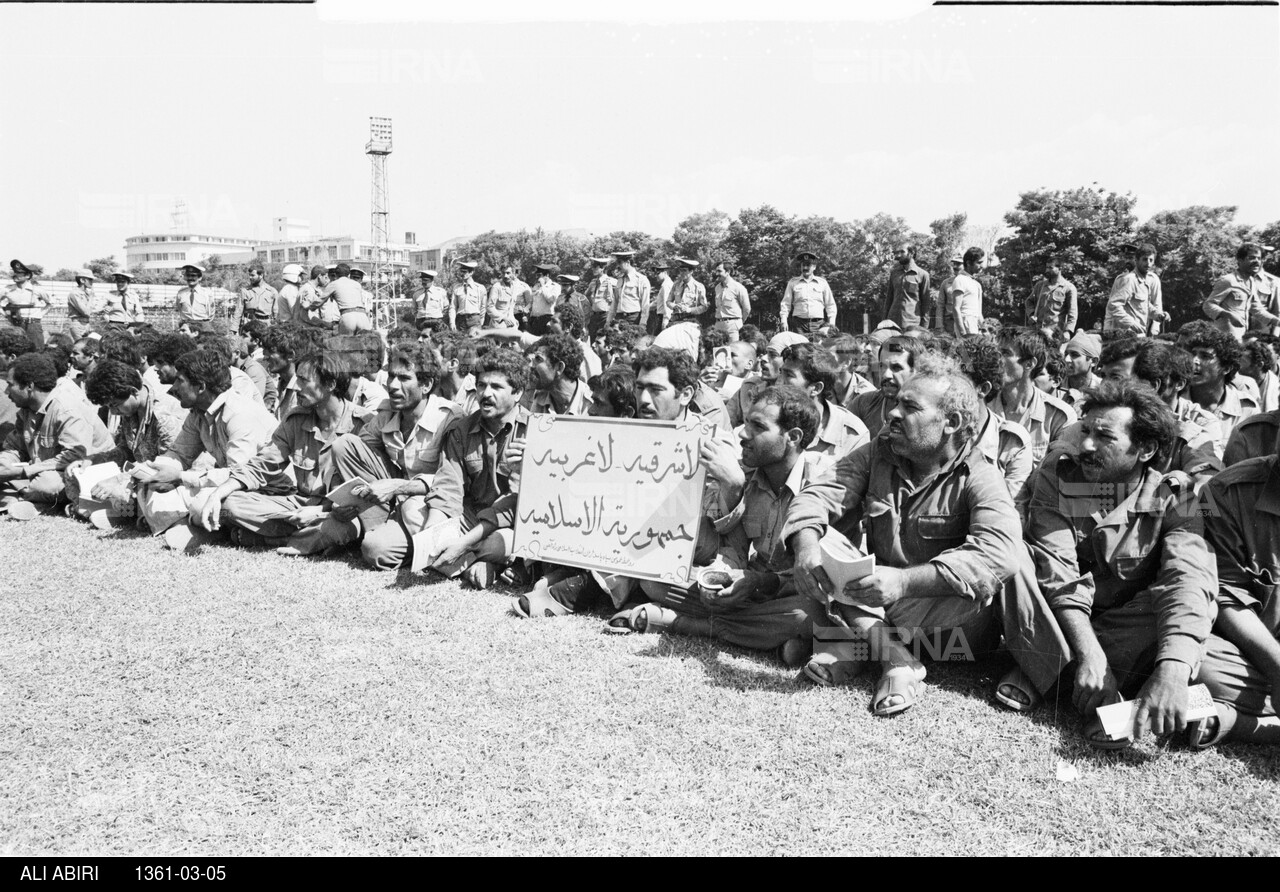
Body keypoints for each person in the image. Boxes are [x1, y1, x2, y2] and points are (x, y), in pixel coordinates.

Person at [783, 355, 1069, 716]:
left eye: (910, 407)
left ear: (951, 423)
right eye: (896, 403)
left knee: (1013, 559)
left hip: (956, 637)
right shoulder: (878, 454)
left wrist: (904, 582)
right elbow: (818, 495)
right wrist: (806, 546)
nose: (893, 414)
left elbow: (998, 555)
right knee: (819, 539)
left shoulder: (980, 475)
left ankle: (861, 652)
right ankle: (894, 660)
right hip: (884, 609)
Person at [1025, 380, 1216, 749]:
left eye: (1104, 437)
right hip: (1061, 619)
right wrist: (1091, 656)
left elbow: (1187, 579)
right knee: (1018, 565)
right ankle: (1089, 682)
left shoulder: (1179, 496)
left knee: (1181, 605)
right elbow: (1059, 577)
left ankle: (1045, 673)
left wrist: (1172, 671)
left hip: (1121, 629)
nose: (1086, 446)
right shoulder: (1058, 476)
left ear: (1145, 449)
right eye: (1085, 431)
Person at [308, 343, 464, 568]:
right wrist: (337, 502)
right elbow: (355, 455)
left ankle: (408, 542)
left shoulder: (450, 418)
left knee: (375, 550)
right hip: (394, 501)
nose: (392, 385)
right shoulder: (387, 412)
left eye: (403, 378)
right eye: (391, 376)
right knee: (344, 444)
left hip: (430, 505)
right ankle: (373, 523)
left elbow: (449, 482)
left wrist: (397, 487)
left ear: (427, 385)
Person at [199, 351, 371, 550]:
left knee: (342, 528)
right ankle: (307, 539)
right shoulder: (296, 420)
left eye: (305, 381)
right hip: (299, 504)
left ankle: (271, 538)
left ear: (330, 385)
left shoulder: (363, 424)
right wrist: (218, 493)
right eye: (297, 379)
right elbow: (262, 465)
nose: (296, 387)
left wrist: (321, 512)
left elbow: (367, 488)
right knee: (230, 506)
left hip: (338, 511)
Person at [411, 348, 531, 588]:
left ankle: (463, 558)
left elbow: (512, 504)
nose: (485, 394)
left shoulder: (533, 432)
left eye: (496, 387)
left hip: (507, 525)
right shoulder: (461, 430)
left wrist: (463, 543)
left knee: (502, 543)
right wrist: (435, 531)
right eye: (481, 386)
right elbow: (447, 487)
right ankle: (471, 563)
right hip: (469, 518)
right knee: (412, 509)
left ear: (517, 393)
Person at [1193, 443, 1280, 746]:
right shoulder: (1225, 492)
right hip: (1256, 655)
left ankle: (1241, 724)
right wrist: (1277, 665)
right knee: (1200, 665)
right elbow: (1225, 594)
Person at [0, 353, 113, 517]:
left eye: (10, 385)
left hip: (83, 471)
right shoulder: (25, 410)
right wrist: (4, 463)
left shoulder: (66, 409)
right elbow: (15, 447)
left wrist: (26, 471)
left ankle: (19, 494)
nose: (6, 390)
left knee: (48, 485)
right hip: (43, 471)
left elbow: (76, 455)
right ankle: (26, 495)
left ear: (29, 386)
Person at [950, 334, 1034, 502]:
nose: (945, 388)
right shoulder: (933, 430)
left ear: (983, 389)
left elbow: (1011, 514)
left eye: (956, 381)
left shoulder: (1011, 442)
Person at [990, 327, 1076, 466]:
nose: (996, 359)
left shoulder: (1059, 416)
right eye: (996, 352)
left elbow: (1057, 476)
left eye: (1005, 353)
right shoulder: (983, 406)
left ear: (1029, 363)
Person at [776, 342, 869, 471]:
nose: (778, 382)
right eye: (781, 373)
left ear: (816, 388)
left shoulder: (851, 434)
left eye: (789, 375)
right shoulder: (769, 416)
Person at [1179, 321, 1258, 455]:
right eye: (1192, 354)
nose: (1194, 361)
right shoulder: (1176, 402)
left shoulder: (1246, 409)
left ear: (1226, 367)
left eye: (1205, 356)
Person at [847, 335, 922, 439]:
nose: (886, 375)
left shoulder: (926, 412)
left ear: (916, 371)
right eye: (882, 366)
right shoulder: (863, 403)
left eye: (896, 367)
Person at [1201, 242, 1280, 340]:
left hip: (1241, 337)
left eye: (1259, 258)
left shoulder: (1250, 282)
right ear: (1240, 260)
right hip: (1224, 338)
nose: (1257, 261)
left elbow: (1257, 309)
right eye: (1251, 258)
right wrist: (1228, 315)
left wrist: (1276, 321)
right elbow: (1208, 305)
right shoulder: (1228, 280)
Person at [1105, 243, 1166, 336]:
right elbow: (1113, 305)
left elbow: (1144, 305)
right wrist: (1131, 323)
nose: (1148, 263)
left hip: (1139, 333)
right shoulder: (1127, 279)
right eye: (1145, 259)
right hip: (1124, 333)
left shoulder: (1147, 280)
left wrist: (1159, 316)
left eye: (1150, 260)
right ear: (1137, 260)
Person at [522, 333, 589, 416]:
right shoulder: (539, 399)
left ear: (560, 367)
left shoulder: (590, 404)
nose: (530, 366)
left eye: (538, 359)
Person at [780, 251, 835, 335]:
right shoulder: (793, 282)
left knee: (818, 347)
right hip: (798, 325)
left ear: (814, 267)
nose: (805, 267)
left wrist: (831, 323)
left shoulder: (822, 283)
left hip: (818, 325)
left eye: (808, 265)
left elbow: (830, 304)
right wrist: (784, 320)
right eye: (803, 265)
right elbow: (786, 303)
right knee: (799, 347)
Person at [2, 260, 52, 348]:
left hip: (33, 326)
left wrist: (40, 314)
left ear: (28, 276)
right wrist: (6, 316)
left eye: (19, 273)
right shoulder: (7, 290)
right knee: (16, 350)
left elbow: (51, 303)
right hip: (16, 325)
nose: (15, 274)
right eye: (15, 272)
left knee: (37, 351)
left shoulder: (37, 290)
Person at [1027, 256, 1078, 342]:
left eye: (1051, 268)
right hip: (1037, 332)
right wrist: (1031, 314)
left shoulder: (1069, 288)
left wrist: (1068, 331)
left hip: (1055, 334)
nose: (1047, 270)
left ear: (1059, 268)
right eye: (1046, 267)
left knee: (1053, 355)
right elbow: (1029, 301)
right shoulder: (1040, 285)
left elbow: (1072, 312)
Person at [883, 244, 931, 330]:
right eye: (898, 252)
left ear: (911, 253)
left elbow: (926, 304)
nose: (898, 255)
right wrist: (884, 321)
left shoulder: (923, 275)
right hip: (892, 323)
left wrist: (924, 328)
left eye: (902, 252)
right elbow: (888, 299)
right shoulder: (894, 273)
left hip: (912, 325)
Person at [319, 263, 373, 335]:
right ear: (349, 275)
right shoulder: (356, 285)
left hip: (348, 317)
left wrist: (308, 306)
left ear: (336, 275)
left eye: (358, 277)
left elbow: (317, 303)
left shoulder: (333, 285)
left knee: (346, 344)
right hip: (362, 317)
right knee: (366, 344)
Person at [606, 250, 651, 330]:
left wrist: (643, 323)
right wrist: (608, 321)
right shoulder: (620, 279)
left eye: (620, 262)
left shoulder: (641, 280)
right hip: (619, 318)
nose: (618, 266)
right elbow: (615, 302)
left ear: (628, 262)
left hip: (633, 319)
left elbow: (645, 304)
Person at [1056, 330, 1102, 406]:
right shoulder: (1056, 384)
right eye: (1066, 354)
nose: (1067, 359)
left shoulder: (1100, 389)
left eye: (1074, 355)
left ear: (1093, 361)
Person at [946, 248, 985, 336]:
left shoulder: (976, 284)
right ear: (968, 263)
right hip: (965, 323)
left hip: (976, 324)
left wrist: (983, 328)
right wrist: (962, 331)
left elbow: (979, 311)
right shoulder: (960, 280)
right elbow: (956, 308)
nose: (982, 266)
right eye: (978, 263)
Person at [709, 260, 750, 341]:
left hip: (732, 326)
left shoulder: (738, 287)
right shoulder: (717, 288)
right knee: (718, 352)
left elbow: (747, 309)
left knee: (734, 351)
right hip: (718, 326)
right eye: (716, 271)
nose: (717, 274)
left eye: (719, 271)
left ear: (728, 272)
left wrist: (739, 321)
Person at [233, 261, 278, 333]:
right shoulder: (245, 291)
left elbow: (276, 313)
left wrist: (276, 328)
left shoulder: (272, 291)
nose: (250, 278)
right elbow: (238, 311)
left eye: (253, 275)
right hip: (249, 324)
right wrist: (234, 329)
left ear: (261, 275)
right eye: (249, 275)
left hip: (265, 326)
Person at [663, 258, 709, 328]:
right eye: (680, 270)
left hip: (690, 319)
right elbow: (668, 302)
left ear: (691, 271)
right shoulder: (676, 285)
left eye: (684, 270)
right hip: (675, 319)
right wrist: (674, 306)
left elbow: (704, 307)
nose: (682, 273)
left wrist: (689, 310)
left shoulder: (698, 286)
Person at [582, 256, 617, 340]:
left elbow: (618, 297)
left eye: (595, 267)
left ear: (602, 268)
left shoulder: (611, 281)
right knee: (593, 340)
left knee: (603, 340)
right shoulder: (593, 282)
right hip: (594, 316)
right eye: (593, 267)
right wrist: (592, 304)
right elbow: (586, 295)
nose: (593, 269)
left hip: (605, 316)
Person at [485, 263, 529, 330]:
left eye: (508, 273)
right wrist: (503, 318)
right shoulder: (497, 287)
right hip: (498, 326)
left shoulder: (515, 287)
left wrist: (514, 319)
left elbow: (510, 306)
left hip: (512, 325)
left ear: (513, 273)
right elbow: (489, 307)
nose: (506, 276)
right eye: (503, 273)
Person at [451, 261, 486, 331]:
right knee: (461, 341)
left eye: (465, 272)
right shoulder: (457, 288)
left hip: (474, 320)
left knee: (475, 341)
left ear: (471, 273)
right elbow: (453, 307)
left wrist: (481, 322)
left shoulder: (479, 288)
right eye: (461, 271)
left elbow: (483, 306)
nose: (462, 274)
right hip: (461, 321)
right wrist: (452, 322)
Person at [65, 269, 99, 340]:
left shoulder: (86, 293)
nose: (92, 282)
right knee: (80, 347)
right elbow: (86, 312)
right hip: (78, 324)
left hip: (86, 323)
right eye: (90, 279)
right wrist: (91, 297)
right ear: (82, 280)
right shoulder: (74, 294)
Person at [415, 269, 450, 334]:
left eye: (426, 280)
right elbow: (414, 310)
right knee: (423, 341)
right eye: (422, 280)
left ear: (432, 281)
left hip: (435, 321)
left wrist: (438, 318)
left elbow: (446, 307)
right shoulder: (417, 294)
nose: (424, 282)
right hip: (421, 322)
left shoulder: (440, 292)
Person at [649, 261, 673, 336]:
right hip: (662, 317)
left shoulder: (666, 285)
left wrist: (665, 320)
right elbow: (657, 302)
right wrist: (646, 308)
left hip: (664, 317)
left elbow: (667, 304)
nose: (656, 276)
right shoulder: (665, 284)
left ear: (665, 273)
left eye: (658, 273)